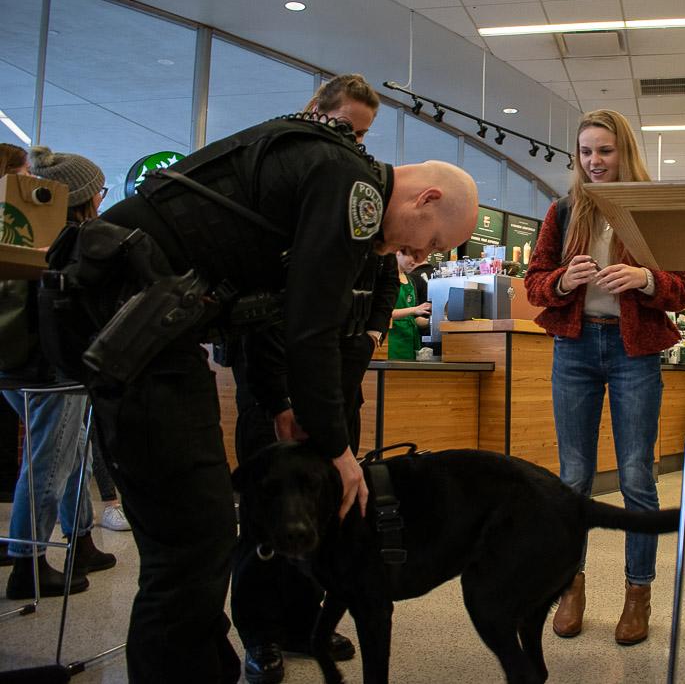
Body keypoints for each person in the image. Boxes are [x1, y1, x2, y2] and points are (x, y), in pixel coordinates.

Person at [41, 111, 477, 683]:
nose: (422, 253)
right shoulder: (355, 191)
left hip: (143, 331)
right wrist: (338, 449)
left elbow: (261, 309)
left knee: (203, 534)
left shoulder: (326, 164)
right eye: (435, 240)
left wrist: (279, 402)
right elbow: (311, 326)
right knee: (191, 544)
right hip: (134, 335)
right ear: (427, 198)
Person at [231, 74, 401, 684]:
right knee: (265, 522)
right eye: (346, 127)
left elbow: (380, 279)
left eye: (362, 133)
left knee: (325, 511)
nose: (354, 142)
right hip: (276, 387)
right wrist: (278, 397)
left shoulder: (356, 198)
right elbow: (274, 310)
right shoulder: (289, 180)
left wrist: (373, 333)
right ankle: (259, 635)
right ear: (316, 111)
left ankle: (306, 625)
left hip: (332, 388)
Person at [524, 109, 685, 645]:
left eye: (605, 150)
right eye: (585, 152)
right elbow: (534, 284)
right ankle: (569, 588)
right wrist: (561, 281)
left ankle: (636, 594)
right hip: (573, 349)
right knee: (572, 479)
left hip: (633, 352)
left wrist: (646, 279)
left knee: (637, 480)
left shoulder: (650, 210)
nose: (594, 162)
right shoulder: (564, 209)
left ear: (625, 152)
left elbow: (683, 288)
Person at [1, 144, 116, 598]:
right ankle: (27, 566)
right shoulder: (74, 244)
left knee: (70, 457)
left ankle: (81, 540)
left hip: (16, 366)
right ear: (84, 198)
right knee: (48, 465)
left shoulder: (23, 232)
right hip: (53, 372)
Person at [387, 250, 432, 361]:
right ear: (398, 253)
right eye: (413, 256)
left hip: (411, 341)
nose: (415, 261)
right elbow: (385, 313)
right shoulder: (386, 280)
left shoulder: (411, 280)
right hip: (392, 342)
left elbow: (414, 319)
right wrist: (414, 310)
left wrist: (431, 322)